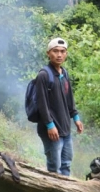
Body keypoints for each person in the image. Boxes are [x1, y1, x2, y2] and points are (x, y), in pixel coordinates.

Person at [34, 38, 84, 176]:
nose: (59, 55)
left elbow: (69, 98)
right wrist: (50, 125)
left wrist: (76, 117)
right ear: (48, 53)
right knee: (54, 167)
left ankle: (64, 188)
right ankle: (52, 189)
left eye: (62, 51)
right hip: (51, 130)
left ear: (66, 53)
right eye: (55, 51)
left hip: (65, 128)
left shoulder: (64, 73)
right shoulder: (44, 75)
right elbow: (42, 103)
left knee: (66, 164)